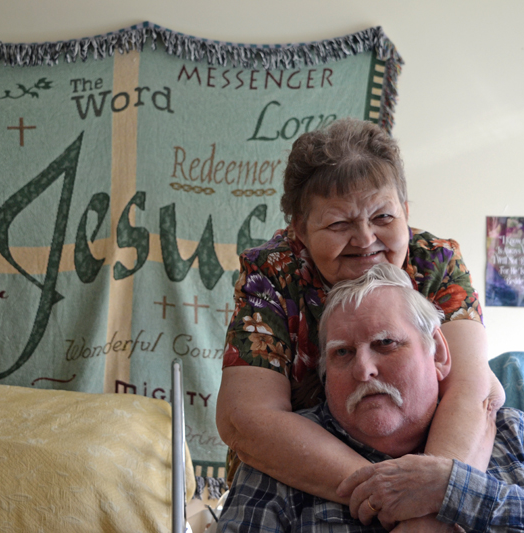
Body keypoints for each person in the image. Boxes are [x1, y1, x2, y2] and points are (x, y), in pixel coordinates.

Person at [216, 118, 505, 521]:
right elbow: (245, 418)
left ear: (405, 211)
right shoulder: (273, 273)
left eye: (383, 218)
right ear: (300, 229)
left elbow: (474, 390)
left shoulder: (435, 261)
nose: (366, 239)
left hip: (430, 479)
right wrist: (392, 497)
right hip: (301, 484)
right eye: (339, 224)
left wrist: (430, 505)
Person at [217, 263, 524, 532]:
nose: (363, 369)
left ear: (438, 353)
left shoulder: (512, 434)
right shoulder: (283, 460)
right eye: (342, 353)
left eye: (386, 344)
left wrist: (454, 489)